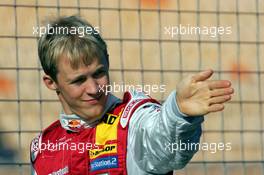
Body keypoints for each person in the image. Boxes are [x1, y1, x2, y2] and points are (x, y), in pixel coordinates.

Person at [30, 16, 234, 175]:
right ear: (51, 82)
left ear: (107, 62)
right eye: (79, 80)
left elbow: (163, 146)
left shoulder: (133, 120)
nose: (94, 88)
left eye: (99, 73)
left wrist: (177, 113)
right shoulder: (43, 148)